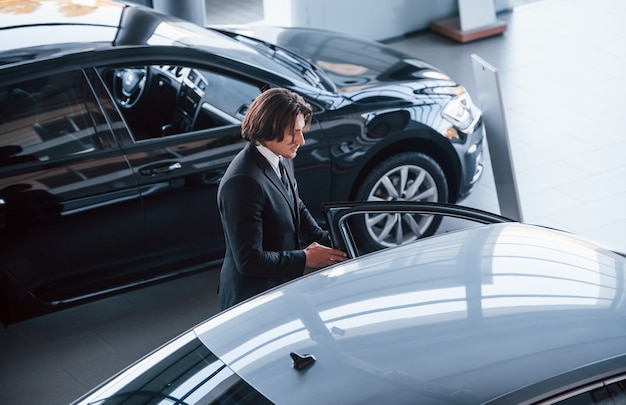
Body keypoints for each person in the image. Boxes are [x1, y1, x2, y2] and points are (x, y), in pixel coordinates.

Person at [217, 88, 348, 310]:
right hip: (252, 301)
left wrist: (332, 241)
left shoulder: (281, 156)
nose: (301, 140)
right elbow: (249, 261)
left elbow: (294, 203)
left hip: (281, 288)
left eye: (301, 130)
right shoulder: (242, 182)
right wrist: (306, 258)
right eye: (293, 132)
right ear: (268, 128)